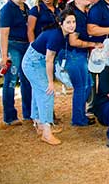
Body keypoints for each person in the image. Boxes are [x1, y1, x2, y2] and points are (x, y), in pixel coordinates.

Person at [22, 10, 76, 145]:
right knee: (47, 92)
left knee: (39, 91)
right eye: (68, 22)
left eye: (73, 22)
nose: (72, 25)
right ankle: (46, 132)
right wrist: (51, 82)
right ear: (60, 23)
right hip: (33, 63)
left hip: (36, 61)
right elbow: (49, 60)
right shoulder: (56, 36)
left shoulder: (61, 34)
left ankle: (39, 123)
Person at [65, 0, 102, 126]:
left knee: (86, 85)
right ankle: (78, 118)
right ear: (77, 0)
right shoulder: (76, 16)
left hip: (77, 54)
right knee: (82, 86)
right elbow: (73, 41)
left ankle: (80, 116)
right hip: (74, 54)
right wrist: (92, 44)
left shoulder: (81, 14)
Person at [0, 0, 33, 126]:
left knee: (26, 80)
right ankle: (9, 116)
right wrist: (5, 55)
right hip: (13, 45)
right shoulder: (7, 10)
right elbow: (4, 34)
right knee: (11, 81)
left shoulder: (24, 7)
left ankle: (28, 113)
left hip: (24, 45)